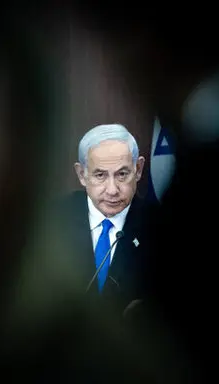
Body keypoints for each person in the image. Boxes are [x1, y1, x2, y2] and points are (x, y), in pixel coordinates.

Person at [54, 123, 158, 318]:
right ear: (82, 174)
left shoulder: (160, 226)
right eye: (100, 175)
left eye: (122, 174)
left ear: (138, 169)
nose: (112, 190)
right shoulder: (52, 221)